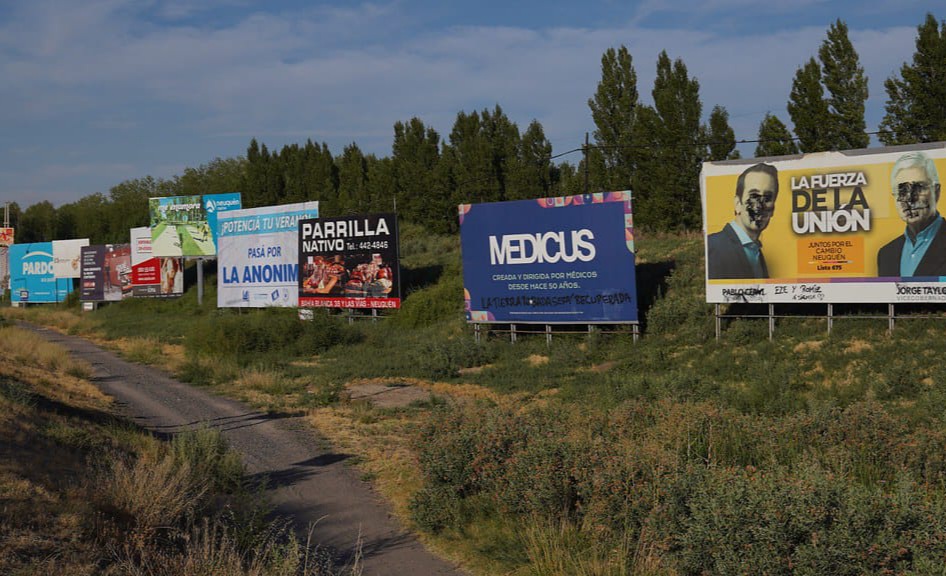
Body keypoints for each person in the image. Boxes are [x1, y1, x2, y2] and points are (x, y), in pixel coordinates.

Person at [877, 151, 946, 277]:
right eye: (902, 191)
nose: (909, 199)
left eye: (919, 188)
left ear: (936, 192)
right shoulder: (886, 254)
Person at [707, 163, 779, 279]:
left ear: (773, 209)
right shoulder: (712, 247)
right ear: (737, 204)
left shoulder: (756, 251)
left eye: (767, 198)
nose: (760, 205)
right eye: (753, 196)